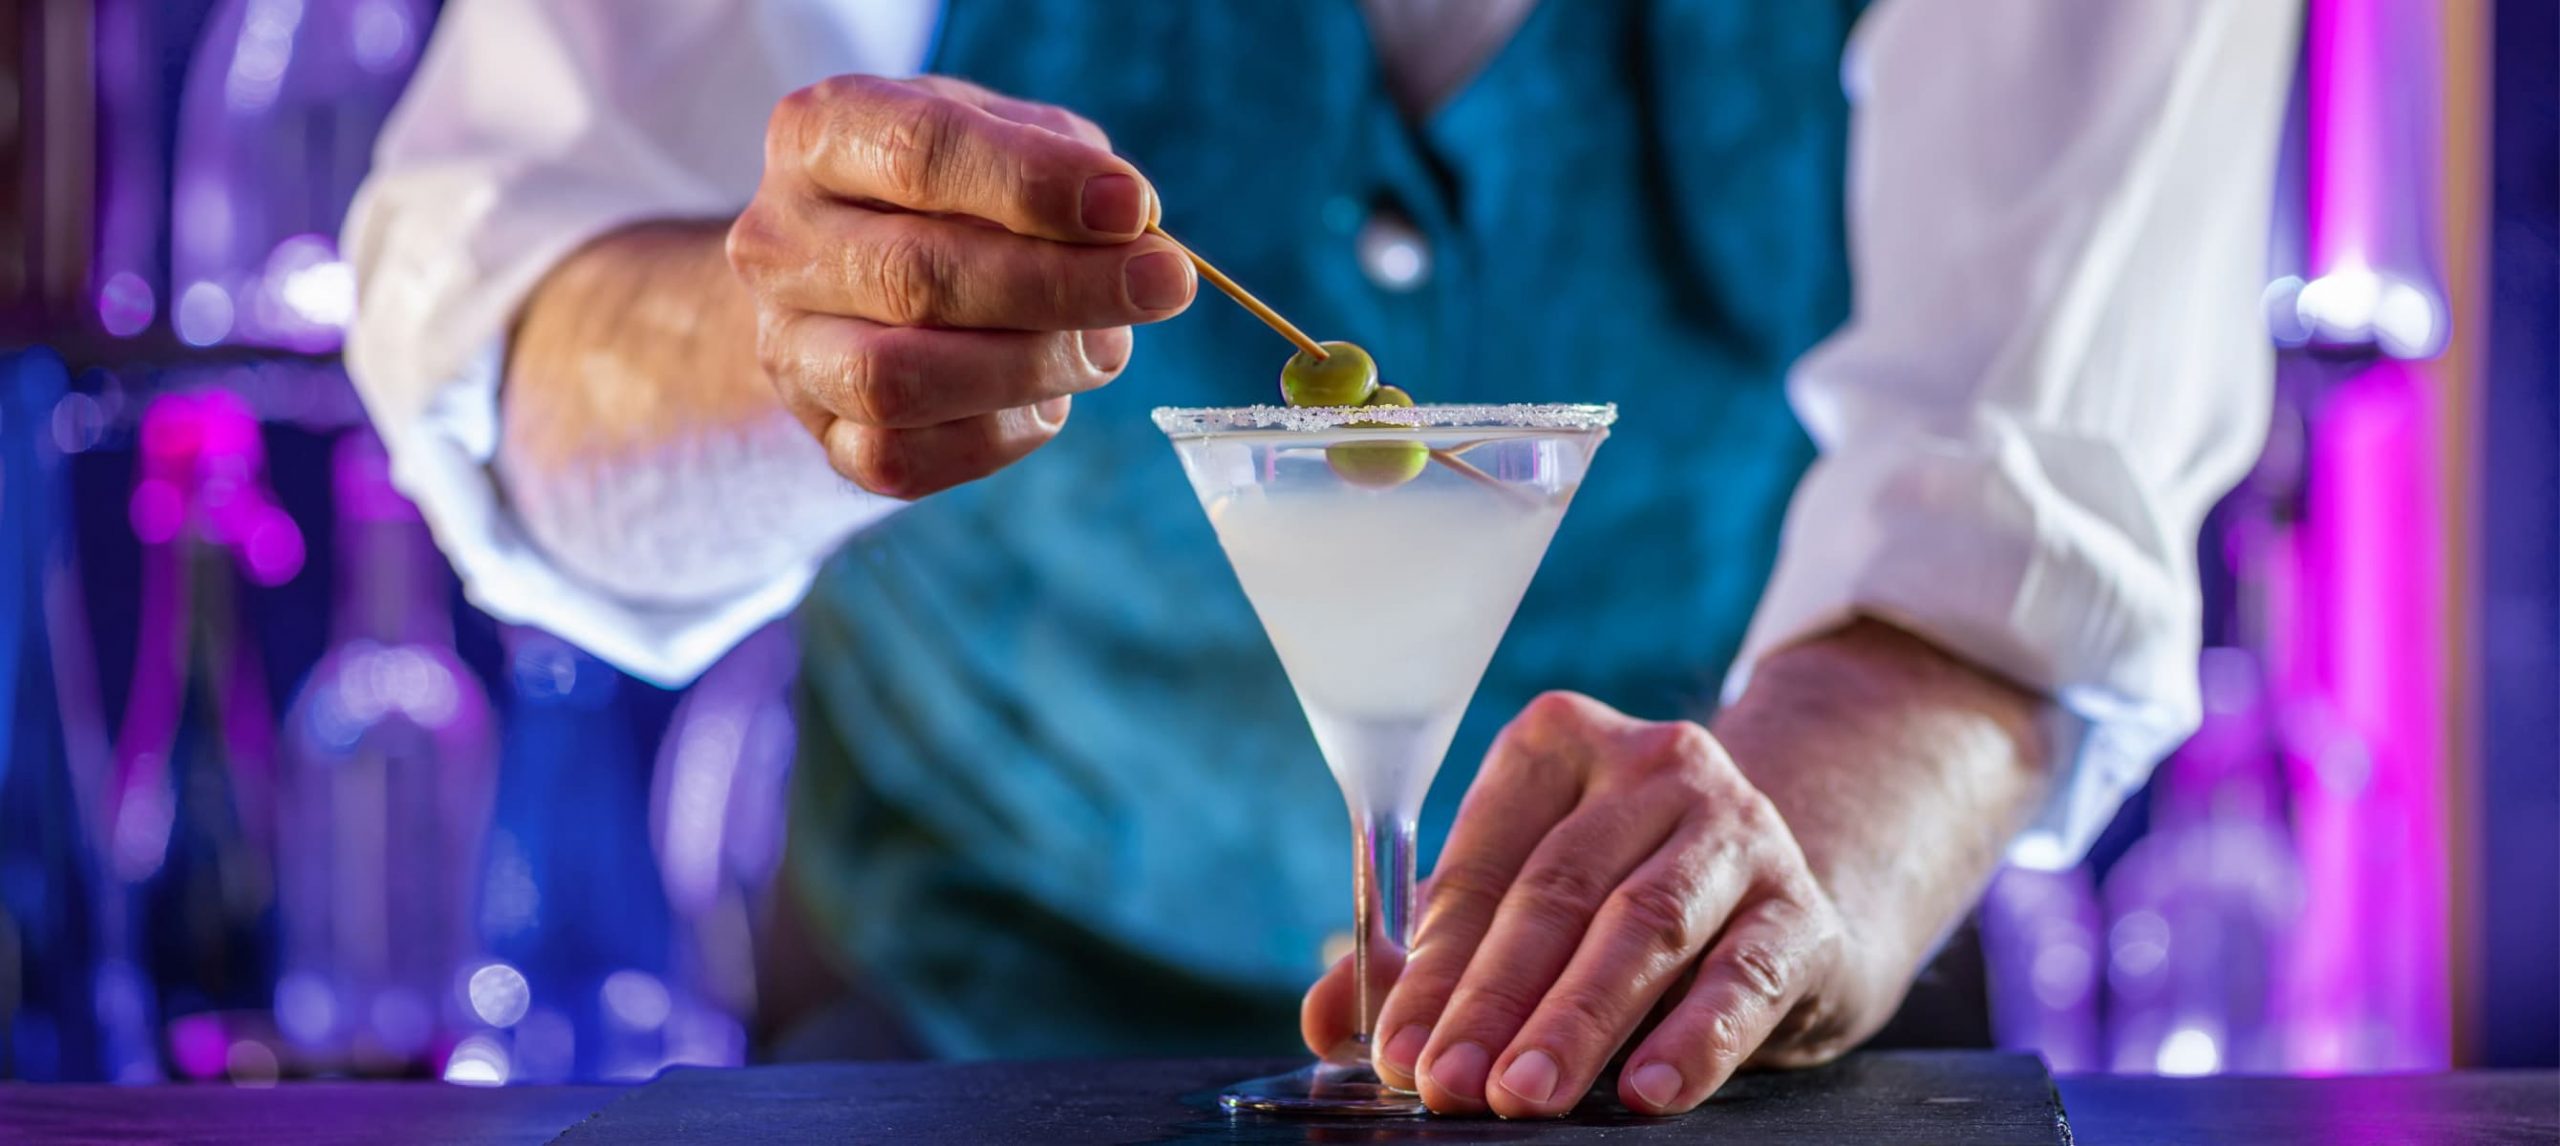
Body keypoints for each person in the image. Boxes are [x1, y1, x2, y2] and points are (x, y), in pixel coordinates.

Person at [344, 0, 2296, 1118]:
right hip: (938, 1034)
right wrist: (774, 341)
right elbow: (509, 317)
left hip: (1722, 1071)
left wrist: (1760, 877)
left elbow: (2025, 496)